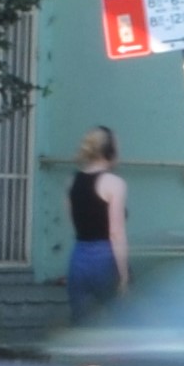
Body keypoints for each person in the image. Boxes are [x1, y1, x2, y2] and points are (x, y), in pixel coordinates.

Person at [65, 128, 129, 324]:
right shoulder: (114, 183)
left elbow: (73, 221)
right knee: (114, 323)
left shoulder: (72, 182)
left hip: (78, 257)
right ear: (109, 151)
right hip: (105, 257)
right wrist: (124, 273)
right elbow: (116, 232)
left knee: (81, 323)